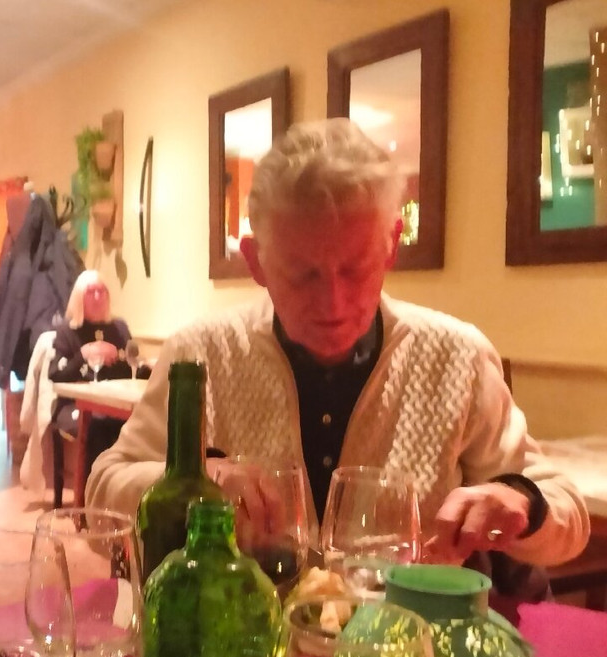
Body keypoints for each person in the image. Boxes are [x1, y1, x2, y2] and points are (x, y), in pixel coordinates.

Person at [87, 118, 589, 600]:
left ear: (390, 246)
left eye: (356, 269)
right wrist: (197, 481)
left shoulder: (457, 356)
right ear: (257, 261)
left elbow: (566, 514)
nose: (333, 303)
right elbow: (102, 495)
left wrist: (520, 503)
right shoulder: (201, 355)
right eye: (303, 274)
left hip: (408, 643)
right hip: (244, 638)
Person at [49, 269, 145, 481]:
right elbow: (56, 374)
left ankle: (125, 487)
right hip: (74, 405)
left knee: (141, 423)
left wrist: (122, 358)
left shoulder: (119, 328)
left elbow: (132, 368)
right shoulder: (67, 331)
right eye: (91, 292)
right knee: (98, 424)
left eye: (102, 291)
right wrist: (83, 354)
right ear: (79, 298)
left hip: (114, 403)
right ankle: (93, 490)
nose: (98, 297)